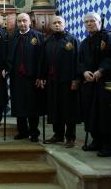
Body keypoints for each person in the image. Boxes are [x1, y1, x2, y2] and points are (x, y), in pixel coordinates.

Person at [78, 12, 111, 157]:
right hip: (90, 84)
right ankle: (97, 141)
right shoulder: (84, 43)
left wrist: (101, 70)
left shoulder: (109, 37)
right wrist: (84, 72)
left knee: (106, 115)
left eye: (92, 21)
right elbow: (80, 62)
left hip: (105, 83)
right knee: (91, 113)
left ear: (99, 22)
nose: (89, 24)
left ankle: (109, 145)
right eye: (86, 22)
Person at [40, 16, 80, 148]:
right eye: (54, 23)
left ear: (64, 24)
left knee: (68, 110)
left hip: (68, 81)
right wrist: (42, 77)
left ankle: (70, 137)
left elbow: (78, 61)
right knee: (54, 108)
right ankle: (58, 135)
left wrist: (76, 79)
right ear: (51, 26)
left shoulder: (72, 40)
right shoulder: (48, 41)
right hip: (52, 81)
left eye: (59, 23)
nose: (57, 25)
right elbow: (44, 61)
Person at [8, 13, 44, 142]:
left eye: (24, 21)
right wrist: (7, 69)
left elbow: (42, 59)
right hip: (17, 77)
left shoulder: (38, 37)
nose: (22, 23)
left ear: (30, 22)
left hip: (33, 78)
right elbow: (9, 57)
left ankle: (34, 132)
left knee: (32, 106)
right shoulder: (13, 37)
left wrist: (40, 76)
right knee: (19, 105)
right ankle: (22, 131)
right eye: (19, 21)